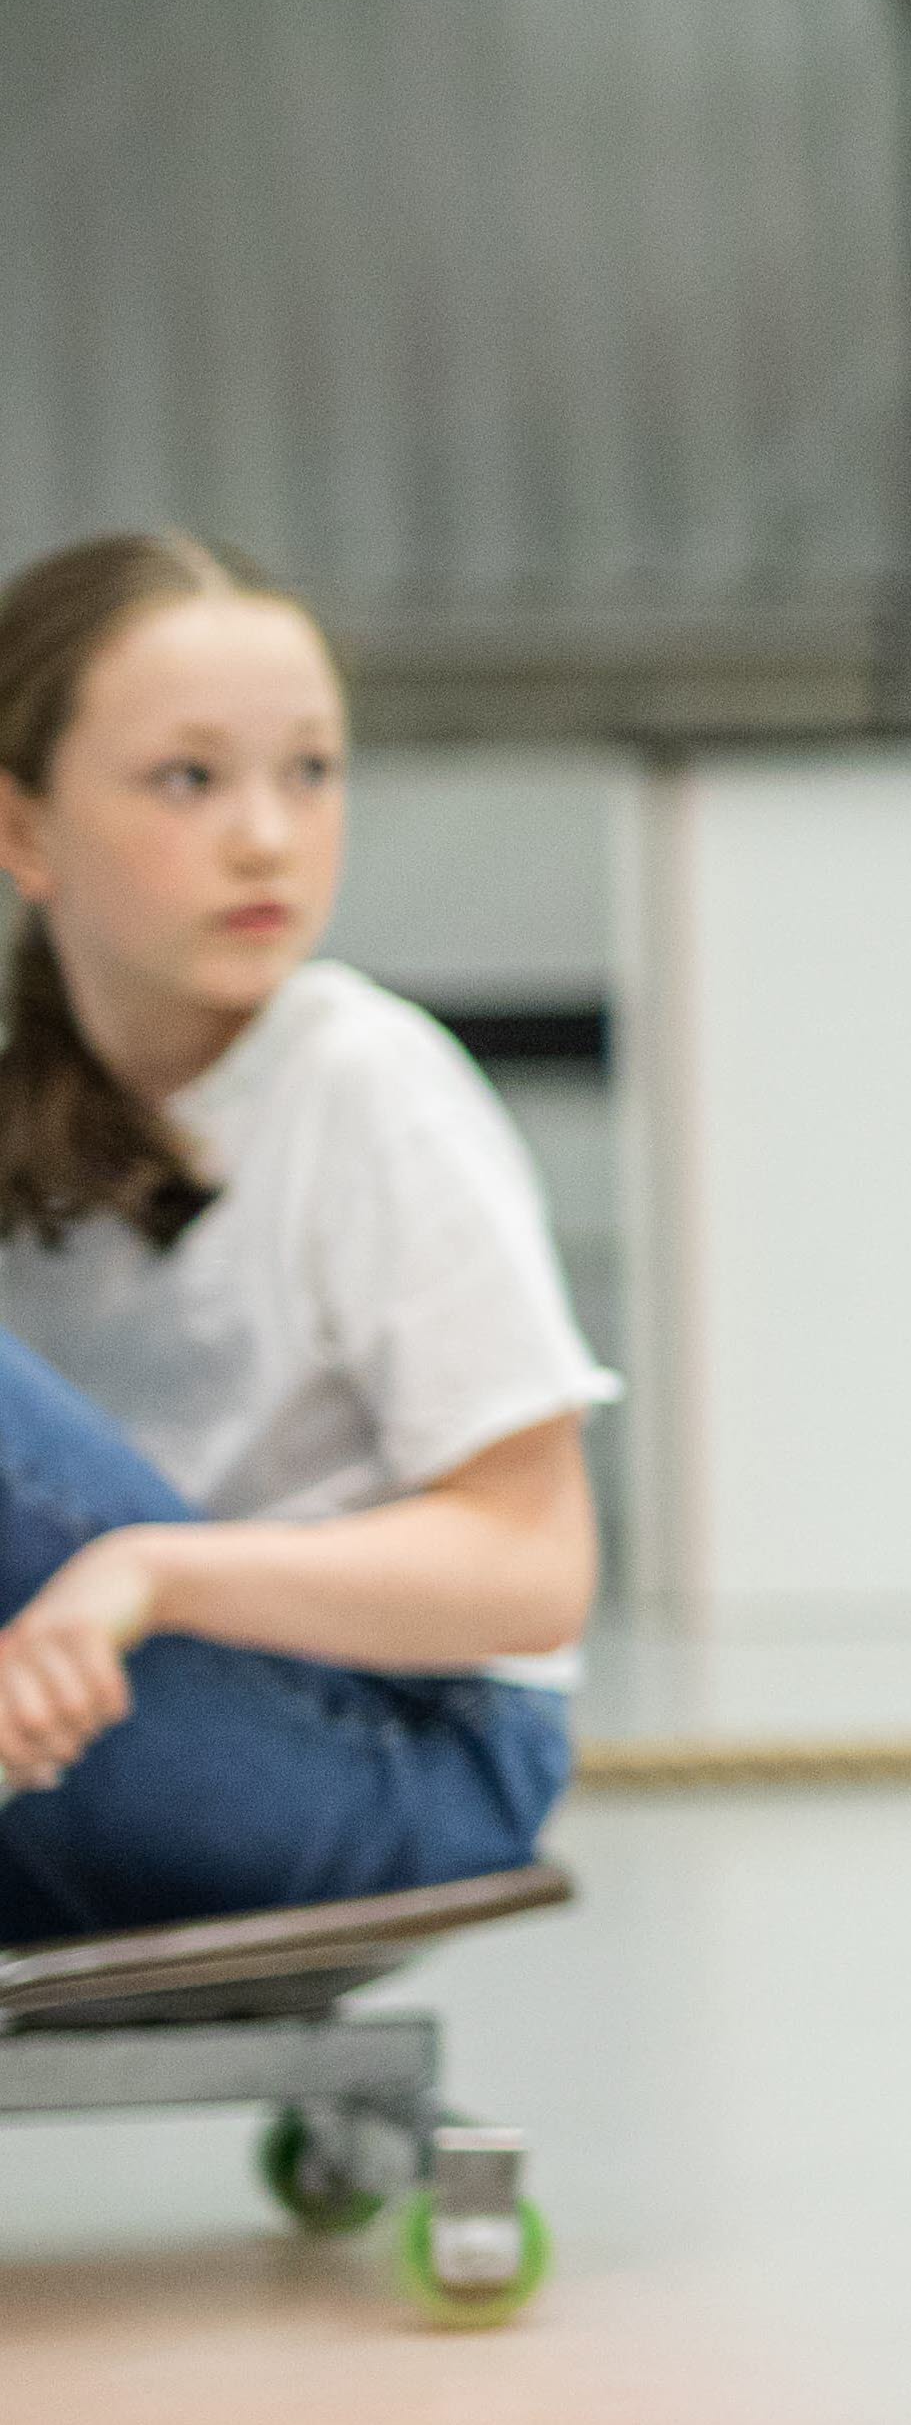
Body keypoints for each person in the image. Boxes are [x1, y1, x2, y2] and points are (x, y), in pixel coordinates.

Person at [0, 534, 606, 1940]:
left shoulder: (364, 1082)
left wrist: (147, 1575)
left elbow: (532, 1570)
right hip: (131, 1734)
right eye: (189, 779)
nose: (267, 835)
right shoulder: (35, 1102)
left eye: (311, 772)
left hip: (402, 1757)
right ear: (23, 831)